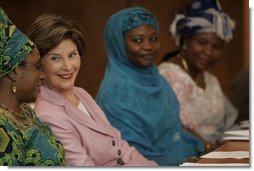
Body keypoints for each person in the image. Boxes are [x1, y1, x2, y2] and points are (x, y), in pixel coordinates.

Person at [27, 13, 157, 166]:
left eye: (72, 55)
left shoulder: (81, 93)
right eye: (55, 58)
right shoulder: (47, 115)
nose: (68, 66)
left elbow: (120, 145)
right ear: (39, 65)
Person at [96, 6, 205, 166]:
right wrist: (182, 162)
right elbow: (133, 152)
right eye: (137, 40)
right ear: (118, 44)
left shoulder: (157, 80)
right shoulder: (114, 93)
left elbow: (175, 130)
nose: (148, 46)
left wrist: (202, 147)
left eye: (153, 38)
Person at [158, 0, 238, 146]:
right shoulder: (165, 76)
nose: (208, 52)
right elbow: (168, 129)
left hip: (219, 153)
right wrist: (207, 147)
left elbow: (230, 123)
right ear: (185, 41)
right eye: (201, 42)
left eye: (217, 46)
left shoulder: (211, 80)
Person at [0, 7, 65, 166]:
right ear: (15, 72)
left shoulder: (24, 111)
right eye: (37, 67)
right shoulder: (2, 127)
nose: (43, 75)